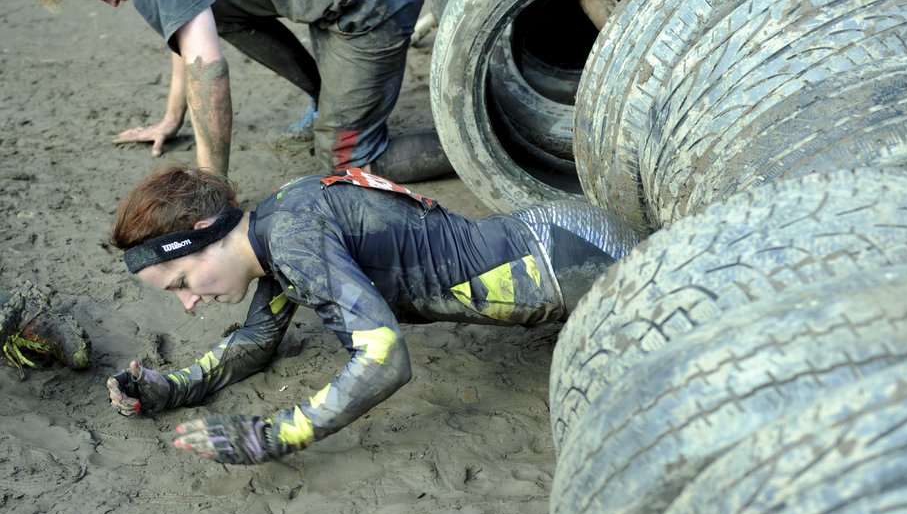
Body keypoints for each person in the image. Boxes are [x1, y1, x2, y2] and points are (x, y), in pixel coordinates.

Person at [105, 166, 640, 464]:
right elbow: (258, 337)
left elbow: (383, 356)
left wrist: (274, 435)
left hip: (580, 261)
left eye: (181, 283)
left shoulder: (292, 239)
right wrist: (173, 387)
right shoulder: (271, 228)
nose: (189, 301)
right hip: (560, 238)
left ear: (204, 231)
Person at [23, 0, 451, 181]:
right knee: (219, 17)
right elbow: (188, 31)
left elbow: (205, 66)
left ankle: (491, 145)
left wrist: (212, 184)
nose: (110, 3)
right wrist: (172, 117)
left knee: (347, 161)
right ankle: (328, 99)